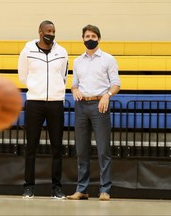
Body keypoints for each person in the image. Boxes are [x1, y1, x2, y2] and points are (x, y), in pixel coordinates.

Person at [67, 24, 121, 201]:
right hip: (81, 106)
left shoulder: (108, 59)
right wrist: (74, 90)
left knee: (103, 149)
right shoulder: (77, 61)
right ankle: (82, 189)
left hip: (100, 105)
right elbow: (74, 83)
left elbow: (116, 84)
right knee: (81, 150)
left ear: (99, 38)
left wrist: (108, 95)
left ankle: (105, 190)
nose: (90, 39)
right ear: (82, 38)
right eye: (87, 36)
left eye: (93, 36)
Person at [18, 20, 68, 199]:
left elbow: (63, 77)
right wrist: (37, 88)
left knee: (57, 148)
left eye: (54, 30)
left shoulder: (62, 52)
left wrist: (55, 92)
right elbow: (23, 76)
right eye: (48, 30)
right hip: (34, 103)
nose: (51, 33)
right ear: (40, 32)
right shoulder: (28, 51)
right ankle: (29, 186)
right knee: (31, 146)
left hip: (55, 103)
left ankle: (57, 188)